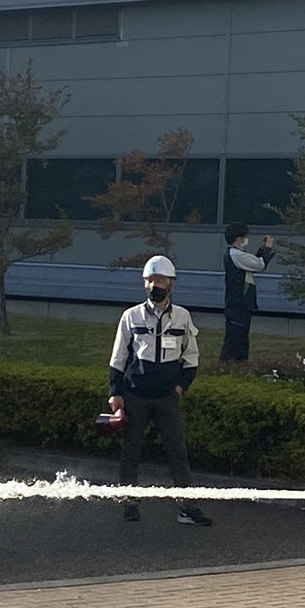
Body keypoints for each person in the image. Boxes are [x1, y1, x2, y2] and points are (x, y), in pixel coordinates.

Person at [107, 255, 209, 527]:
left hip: (166, 398)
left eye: (160, 280)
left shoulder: (183, 317)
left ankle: (187, 507)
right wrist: (115, 393)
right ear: (144, 284)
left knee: (177, 451)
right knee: (131, 450)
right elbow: (118, 358)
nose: (155, 285)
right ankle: (129, 502)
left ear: (171, 284)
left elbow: (191, 358)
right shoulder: (131, 316)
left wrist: (179, 388)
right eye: (150, 280)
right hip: (135, 394)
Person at [220, 223, 275, 367]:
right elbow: (259, 265)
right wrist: (268, 248)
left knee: (242, 339)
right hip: (238, 305)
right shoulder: (235, 254)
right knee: (234, 340)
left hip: (240, 305)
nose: (246, 240)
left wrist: (262, 249)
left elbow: (253, 263)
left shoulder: (237, 255)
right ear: (238, 239)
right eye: (245, 237)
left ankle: (239, 366)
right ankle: (225, 367)